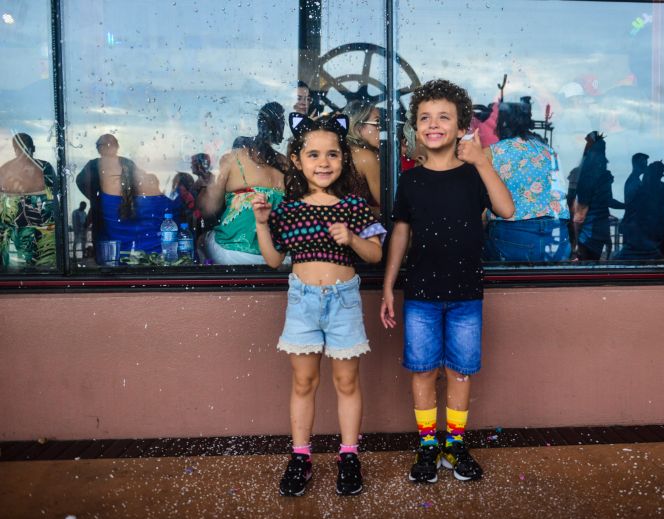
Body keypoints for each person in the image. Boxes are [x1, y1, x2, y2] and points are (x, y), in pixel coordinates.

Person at [380, 80, 514, 484]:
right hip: (420, 293)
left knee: (459, 372)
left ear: (460, 128)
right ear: (416, 127)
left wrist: (483, 162)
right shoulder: (412, 180)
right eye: (425, 117)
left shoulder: (475, 174)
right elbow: (401, 232)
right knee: (422, 371)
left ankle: (454, 445)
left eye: (443, 117)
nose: (433, 124)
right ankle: (427, 446)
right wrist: (388, 285)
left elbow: (506, 210)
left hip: (465, 294)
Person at [253, 113, 385, 497]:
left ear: (343, 160)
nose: (323, 163)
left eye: (331, 155)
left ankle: (348, 455)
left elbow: (376, 254)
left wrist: (352, 240)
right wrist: (262, 223)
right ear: (297, 160)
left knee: (346, 381)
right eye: (313, 155)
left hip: (343, 301)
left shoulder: (355, 208)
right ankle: (300, 456)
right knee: (304, 381)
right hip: (303, 302)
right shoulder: (288, 211)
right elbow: (274, 261)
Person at [483, 100, 571, 262]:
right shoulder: (549, 152)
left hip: (513, 233)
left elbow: (479, 199)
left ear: (502, 123)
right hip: (557, 234)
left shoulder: (491, 153)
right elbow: (560, 191)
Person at [201, 102, 288, 265]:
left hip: (234, 252)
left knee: (200, 240)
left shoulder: (233, 158)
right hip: (281, 256)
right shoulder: (286, 164)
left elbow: (209, 208)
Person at [76, 134, 177, 261]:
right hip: (104, 218)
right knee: (105, 252)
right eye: (104, 145)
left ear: (117, 146)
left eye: (111, 144)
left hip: (127, 212)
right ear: (98, 149)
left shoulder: (126, 163)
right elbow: (81, 182)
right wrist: (97, 200)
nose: (108, 148)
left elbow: (137, 185)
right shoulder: (93, 165)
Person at [0, 133, 57, 269]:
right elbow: (55, 199)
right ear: (34, 147)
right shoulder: (44, 167)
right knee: (45, 267)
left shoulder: (4, 170)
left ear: (14, 149)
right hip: (41, 230)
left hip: (15, 231)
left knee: (15, 271)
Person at [573, 131, 624, 260]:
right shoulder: (601, 176)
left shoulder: (589, 175)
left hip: (592, 232)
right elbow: (608, 201)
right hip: (594, 232)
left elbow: (580, 212)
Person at [342, 100, 381, 209]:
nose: (382, 129)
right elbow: (388, 210)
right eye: (377, 123)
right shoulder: (366, 157)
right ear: (357, 126)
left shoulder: (340, 152)